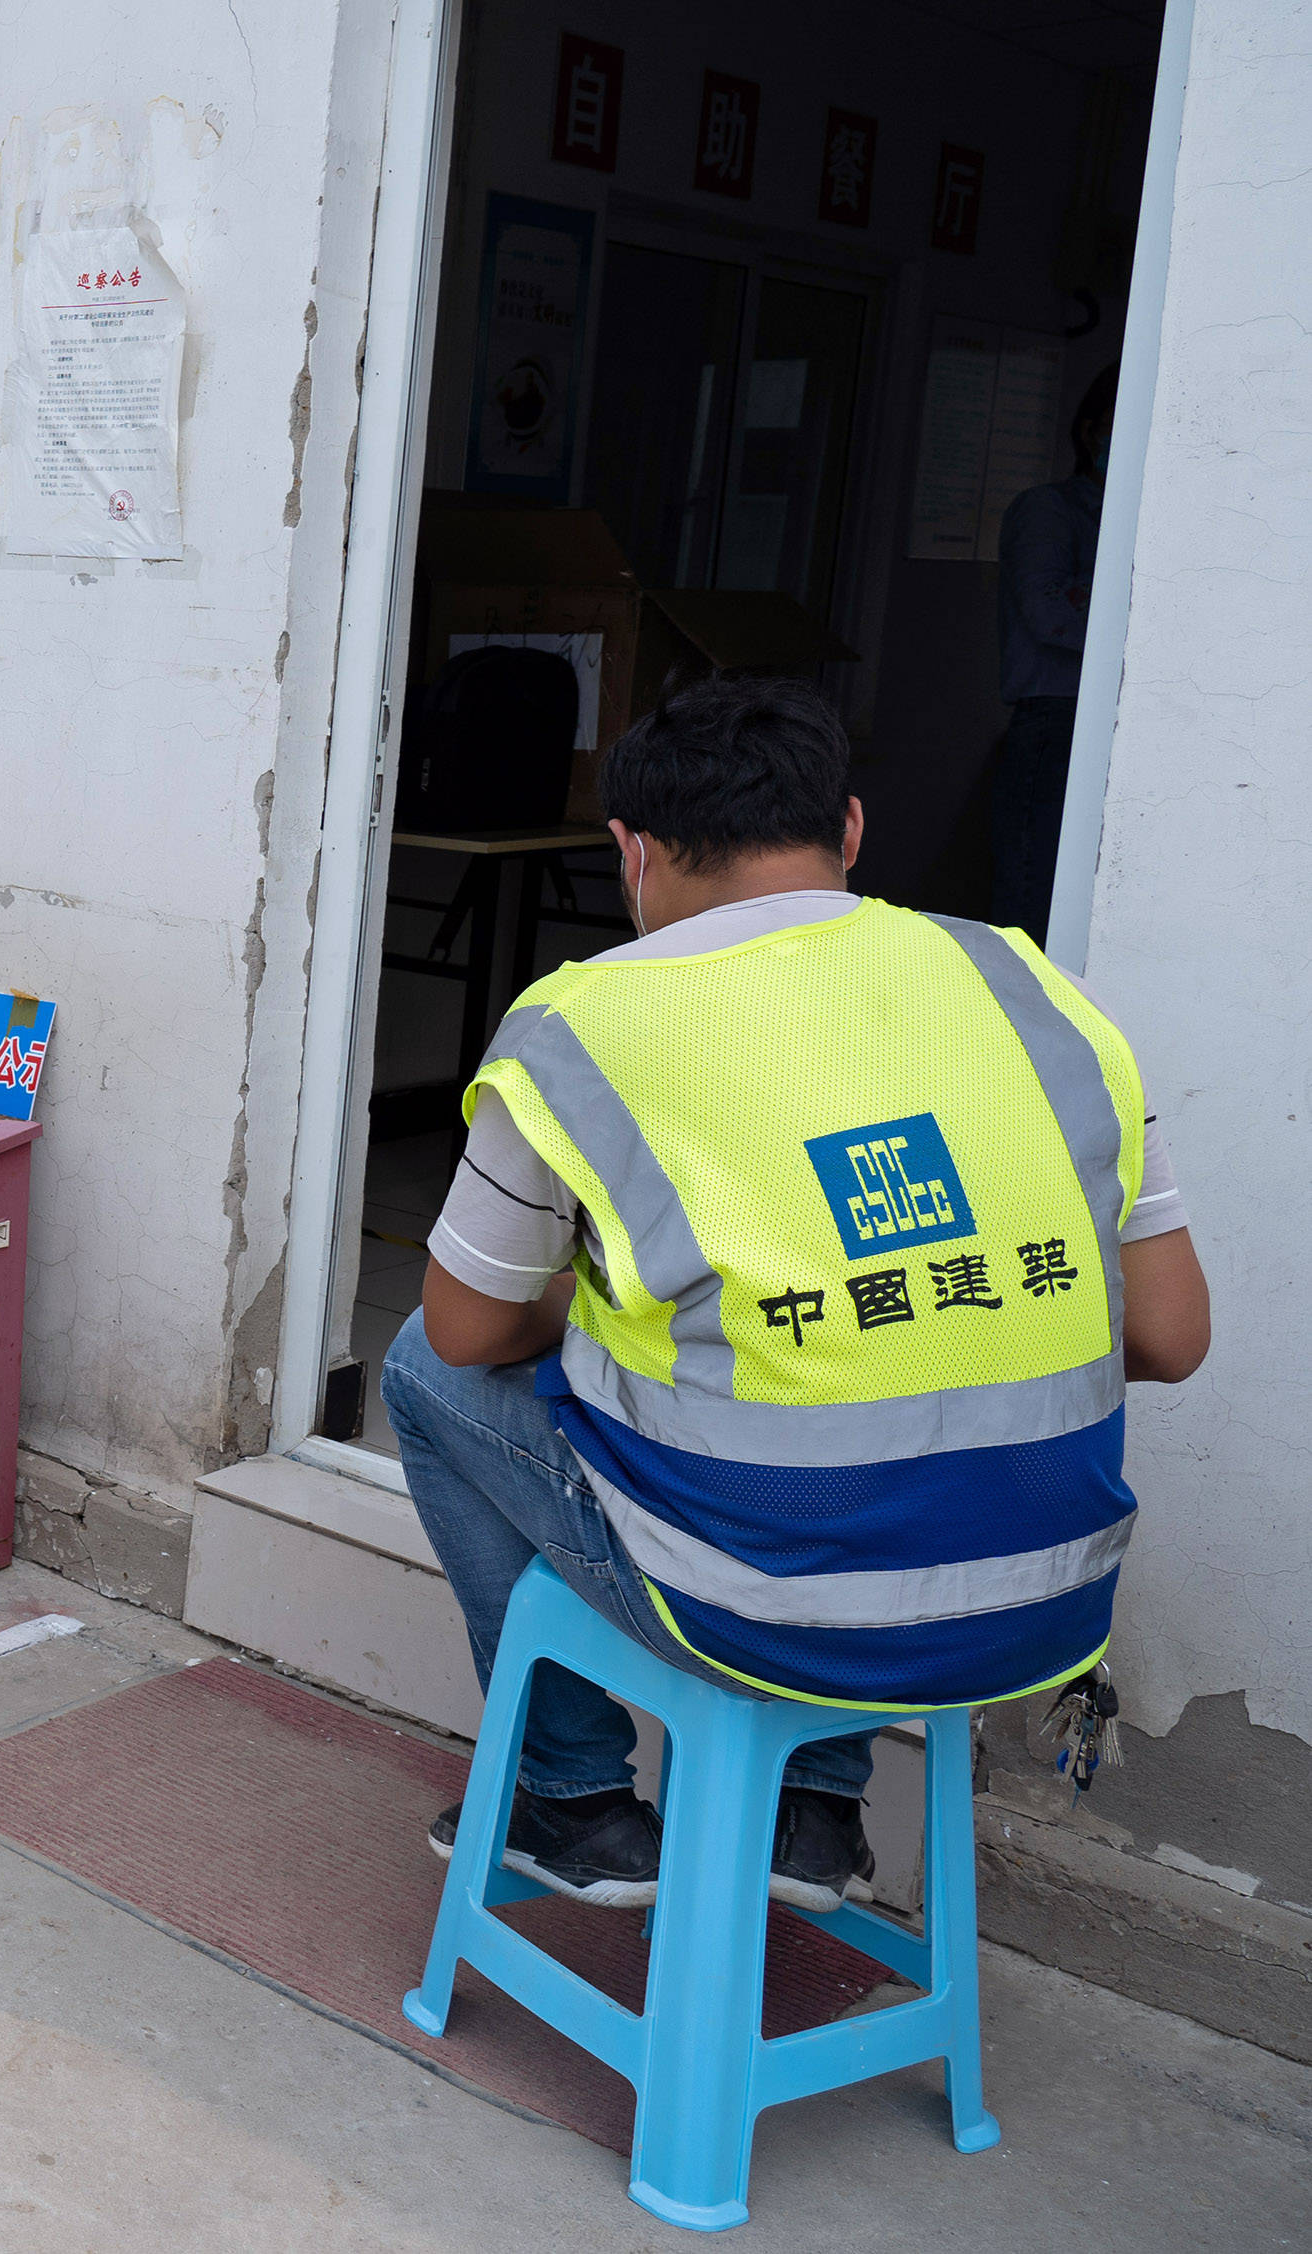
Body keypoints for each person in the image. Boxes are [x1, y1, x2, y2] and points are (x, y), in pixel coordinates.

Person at [388, 675, 1211, 1914]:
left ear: (632, 852)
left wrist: (627, 1314)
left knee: (411, 1363)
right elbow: (1167, 1331)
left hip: (750, 1604)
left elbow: (466, 1332)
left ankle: (568, 1801)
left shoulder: (579, 1026)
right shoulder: (1030, 988)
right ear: (851, 831)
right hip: (1043, 1597)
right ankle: (809, 1813)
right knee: (871, 1399)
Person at [989, 365, 1120, 946]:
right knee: (1033, 894)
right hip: (1055, 719)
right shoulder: (1051, 509)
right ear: (1092, 431)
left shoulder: (1139, 515)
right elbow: (1047, 613)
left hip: (1109, 722)